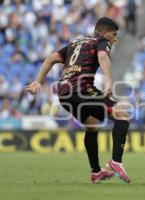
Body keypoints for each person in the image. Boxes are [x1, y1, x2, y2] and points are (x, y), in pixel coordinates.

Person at [25, 17, 131, 183]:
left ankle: (96, 172)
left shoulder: (76, 43)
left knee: (92, 125)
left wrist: (38, 81)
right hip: (81, 89)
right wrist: (110, 81)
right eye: (114, 34)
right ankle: (116, 161)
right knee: (122, 115)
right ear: (103, 32)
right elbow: (103, 56)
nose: (115, 38)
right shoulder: (101, 40)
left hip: (64, 93)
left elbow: (51, 58)